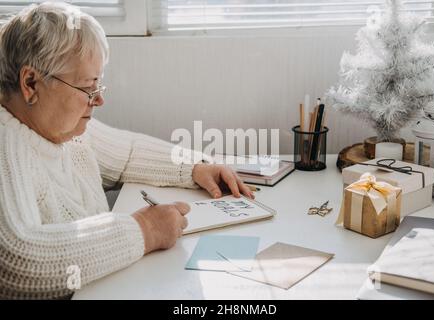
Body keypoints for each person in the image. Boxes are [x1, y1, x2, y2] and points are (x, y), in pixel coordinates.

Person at [0, 2, 253, 299]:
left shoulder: (61, 130)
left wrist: (196, 167)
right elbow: (16, 261)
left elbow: (129, 153)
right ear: (31, 83)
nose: (98, 100)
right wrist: (144, 230)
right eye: (87, 87)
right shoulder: (8, 147)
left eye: (99, 85)